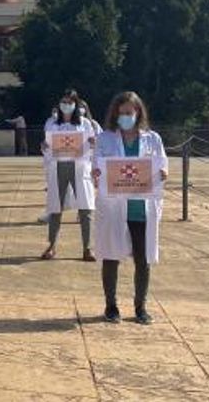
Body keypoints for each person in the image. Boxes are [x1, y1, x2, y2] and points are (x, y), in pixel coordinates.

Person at [93, 91, 167, 325]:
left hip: (141, 209)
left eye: (130, 112)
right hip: (114, 208)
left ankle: (140, 307)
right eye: (121, 113)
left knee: (143, 259)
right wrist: (96, 173)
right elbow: (97, 165)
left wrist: (163, 172)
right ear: (115, 114)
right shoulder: (104, 139)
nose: (125, 116)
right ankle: (111, 305)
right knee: (110, 256)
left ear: (138, 113)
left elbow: (162, 163)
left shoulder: (152, 139)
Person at [41, 90, 97, 261]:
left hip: (79, 167)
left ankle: (87, 248)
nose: (66, 105)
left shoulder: (85, 124)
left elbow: (93, 144)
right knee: (55, 207)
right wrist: (44, 145)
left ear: (75, 104)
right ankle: (52, 246)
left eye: (69, 102)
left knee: (85, 208)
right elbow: (46, 144)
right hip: (58, 167)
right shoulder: (51, 123)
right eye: (63, 102)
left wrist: (93, 143)